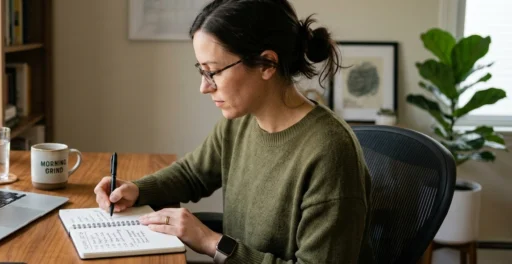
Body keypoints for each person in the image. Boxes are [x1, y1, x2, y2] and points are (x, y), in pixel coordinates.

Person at [93, 0, 374, 263]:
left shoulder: (330, 151)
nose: (204, 87)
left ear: (267, 64)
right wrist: (136, 189)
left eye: (213, 71)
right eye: (201, 70)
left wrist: (210, 241)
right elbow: (192, 174)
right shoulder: (241, 121)